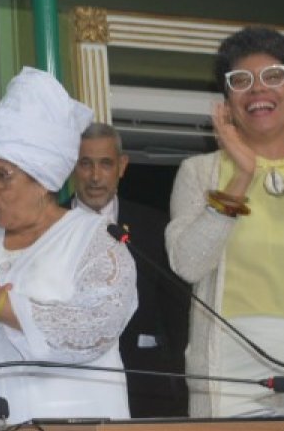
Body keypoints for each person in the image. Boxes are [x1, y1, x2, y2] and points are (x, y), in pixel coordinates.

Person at [0, 67, 137, 430]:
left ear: (43, 179)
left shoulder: (94, 238)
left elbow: (96, 325)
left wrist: (0, 306)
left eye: (2, 175)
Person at [166, 26, 284, 417]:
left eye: (273, 77)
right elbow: (188, 262)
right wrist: (241, 176)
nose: (258, 90)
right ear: (227, 104)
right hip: (229, 357)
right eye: (241, 81)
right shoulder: (199, 171)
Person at [72, 122, 189, 417]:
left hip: (146, 389)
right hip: (72, 385)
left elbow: (176, 316)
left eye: (105, 164)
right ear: (73, 166)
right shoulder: (49, 227)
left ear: (122, 166)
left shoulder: (155, 227)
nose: (95, 176)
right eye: (86, 164)